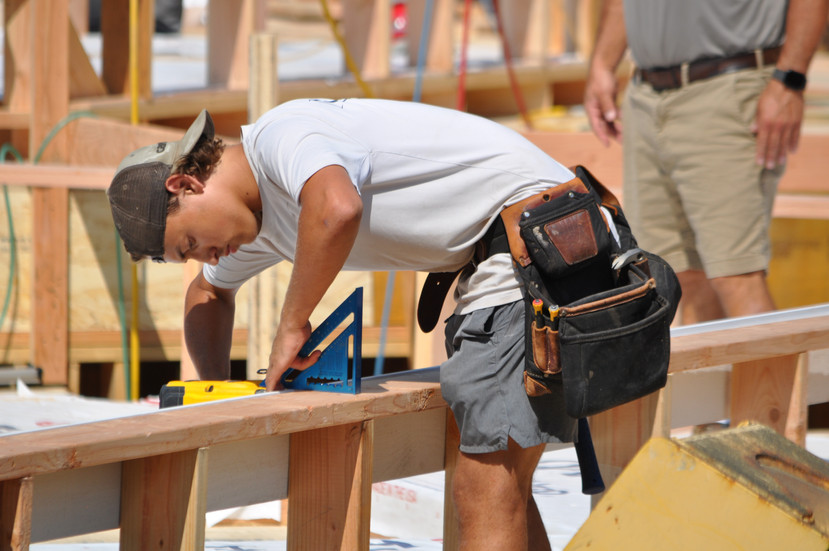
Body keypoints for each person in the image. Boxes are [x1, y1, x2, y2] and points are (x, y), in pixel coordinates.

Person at [107, 98, 605, 550]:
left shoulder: (283, 136)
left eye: (190, 243)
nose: (208, 257)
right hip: (514, 253)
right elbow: (208, 294)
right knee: (504, 488)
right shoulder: (256, 223)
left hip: (540, 233)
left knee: (485, 488)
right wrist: (220, 397)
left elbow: (337, 209)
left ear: (186, 185)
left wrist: (291, 324)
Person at [584, 0, 829, 324]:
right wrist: (603, 63)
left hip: (726, 87)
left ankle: (773, 361)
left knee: (736, 276)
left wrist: (789, 81)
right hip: (645, 96)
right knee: (678, 275)